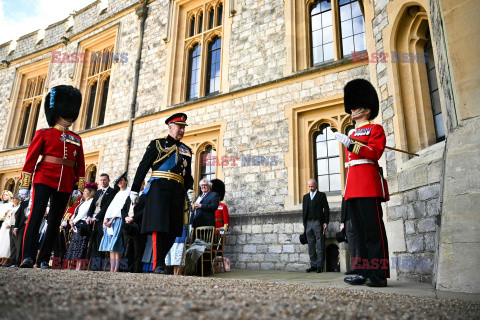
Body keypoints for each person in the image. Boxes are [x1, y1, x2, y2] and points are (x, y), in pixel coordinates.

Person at [18, 85, 84, 269]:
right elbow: (30, 159)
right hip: (44, 177)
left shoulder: (76, 139)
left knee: (55, 222)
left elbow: (81, 165)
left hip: (65, 183)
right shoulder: (43, 134)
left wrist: (78, 187)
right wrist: (25, 184)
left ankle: (43, 258)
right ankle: (28, 257)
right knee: (36, 216)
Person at [334, 78, 390, 287]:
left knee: (373, 232)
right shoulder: (352, 133)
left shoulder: (375, 129)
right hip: (354, 187)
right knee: (358, 233)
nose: (352, 110)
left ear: (366, 109)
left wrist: (353, 146)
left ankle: (378, 274)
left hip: (368, 185)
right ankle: (364, 271)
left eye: (356, 106)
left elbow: (374, 152)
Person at [130, 113, 193, 274]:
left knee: (174, 229)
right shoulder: (157, 144)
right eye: (179, 127)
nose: (182, 131)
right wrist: (134, 189)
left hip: (177, 191)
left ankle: (161, 260)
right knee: (159, 226)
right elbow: (143, 166)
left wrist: (190, 190)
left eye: (183, 128)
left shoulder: (187, 150)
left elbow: (188, 175)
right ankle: (158, 264)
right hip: (158, 189)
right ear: (170, 127)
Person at [99, 173, 130, 272]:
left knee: (117, 244)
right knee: (111, 246)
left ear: (126, 181)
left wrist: (112, 219)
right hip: (110, 221)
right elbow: (111, 207)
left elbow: (122, 208)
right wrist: (106, 219)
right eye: (119, 181)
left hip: (118, 219)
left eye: (122, 180)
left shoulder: (128, 192)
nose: (120, 182)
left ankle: (117, 267)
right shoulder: (117, 193)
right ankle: (112, 267)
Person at [86, 173, 117, 267]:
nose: (102, 182)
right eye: (101, 180)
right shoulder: (98, 192)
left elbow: (107, 206)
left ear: (108, 180)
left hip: (103, 218)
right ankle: (92, 265)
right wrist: (88, 216)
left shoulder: (112, 192)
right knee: (92, 241)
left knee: (100, 241)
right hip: (93, 219)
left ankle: (99, 265)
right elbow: (92, 205)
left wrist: (97, 217)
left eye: (104, 180)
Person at [66, 183, 97, 270]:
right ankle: (74, 265)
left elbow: (82, 213)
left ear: (90, 193)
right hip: (76, 225)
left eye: (85, 191)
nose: (83, 192)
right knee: (75, 245)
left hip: (82, 225)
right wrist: (71, 220)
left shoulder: (91, 201)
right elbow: (76, 212)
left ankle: (79, 266)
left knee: (81, 246)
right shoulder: (83, 202)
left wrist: (74, 221)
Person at [302, 179, 330, 273]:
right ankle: (313, 265)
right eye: (309, 186)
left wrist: (326, 222)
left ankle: (319, 266)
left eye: (312, 186)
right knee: (311, 245)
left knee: (320, 244)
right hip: (308, 223)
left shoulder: (321, 195)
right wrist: (304, 225)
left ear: (316, 185)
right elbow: (304, 212)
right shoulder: (305, 197)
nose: (310, 188)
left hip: (318, 222)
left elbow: (326, 209)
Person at [121, 181, 147, 273]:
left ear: (143, 184)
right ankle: (127, 269)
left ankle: (137, 270)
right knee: (128, 248)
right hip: (128, 225)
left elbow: (145, 211)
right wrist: (126, 217)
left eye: (139, 184)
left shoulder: (146, 196)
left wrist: (133, 218)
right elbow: (123, 209)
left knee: (138, 249)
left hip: (139, 225)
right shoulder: (130, 197)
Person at [0, 194, 21, 265]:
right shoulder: (11, 207)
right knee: (7, 243)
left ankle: (10, 259)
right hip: (7, 225)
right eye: (13, 198)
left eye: (15, 198)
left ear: (18, 200)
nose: (13, 199)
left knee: (12, 243)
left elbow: (17, 217)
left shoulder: (19, 207)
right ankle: (3, 259)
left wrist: (10, 224)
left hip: (13, 225)